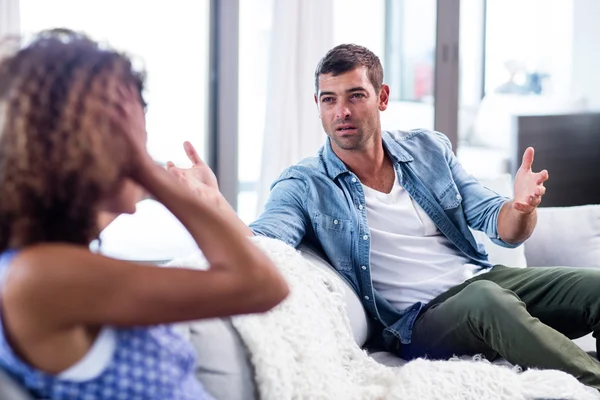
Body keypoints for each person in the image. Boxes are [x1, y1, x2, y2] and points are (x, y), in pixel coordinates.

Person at [168, 43, 600, 390]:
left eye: (356, 95)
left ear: (383, 97)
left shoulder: (429, 149)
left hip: (480, 282)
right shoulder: (304, 184)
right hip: (414, 323)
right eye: (329, 100)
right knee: (489, 303)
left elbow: (503, 227)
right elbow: (266, 244)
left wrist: (521, 208)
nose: (343, 112)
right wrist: (215, 205)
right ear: (318, 106)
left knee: (590, 287)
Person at [0, 29, 288, 400]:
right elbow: (264, 286)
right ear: (81, 146)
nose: (141, 148)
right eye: (132, 136)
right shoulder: (39, 276)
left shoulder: (44, 255)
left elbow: (88, 213)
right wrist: (145, 167)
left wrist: (186, 193)